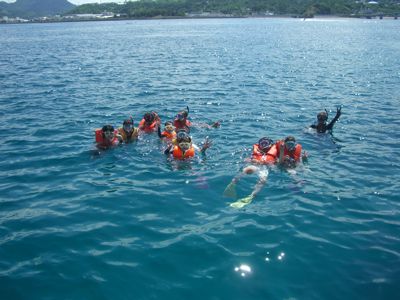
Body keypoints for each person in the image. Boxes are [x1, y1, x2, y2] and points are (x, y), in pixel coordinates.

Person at [224, 137, 278, 208]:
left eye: (265, 143)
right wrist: (250, 160)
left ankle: (251, 196)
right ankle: (232, 183)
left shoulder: (274, 153)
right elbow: (247, 159)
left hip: (264, 168)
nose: (263, 145)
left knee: (263, 180)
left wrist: (263, 162)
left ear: (270, 145)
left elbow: (274, 163)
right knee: (247, 169)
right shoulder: (256, 151)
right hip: (255, 166)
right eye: (262, 143)